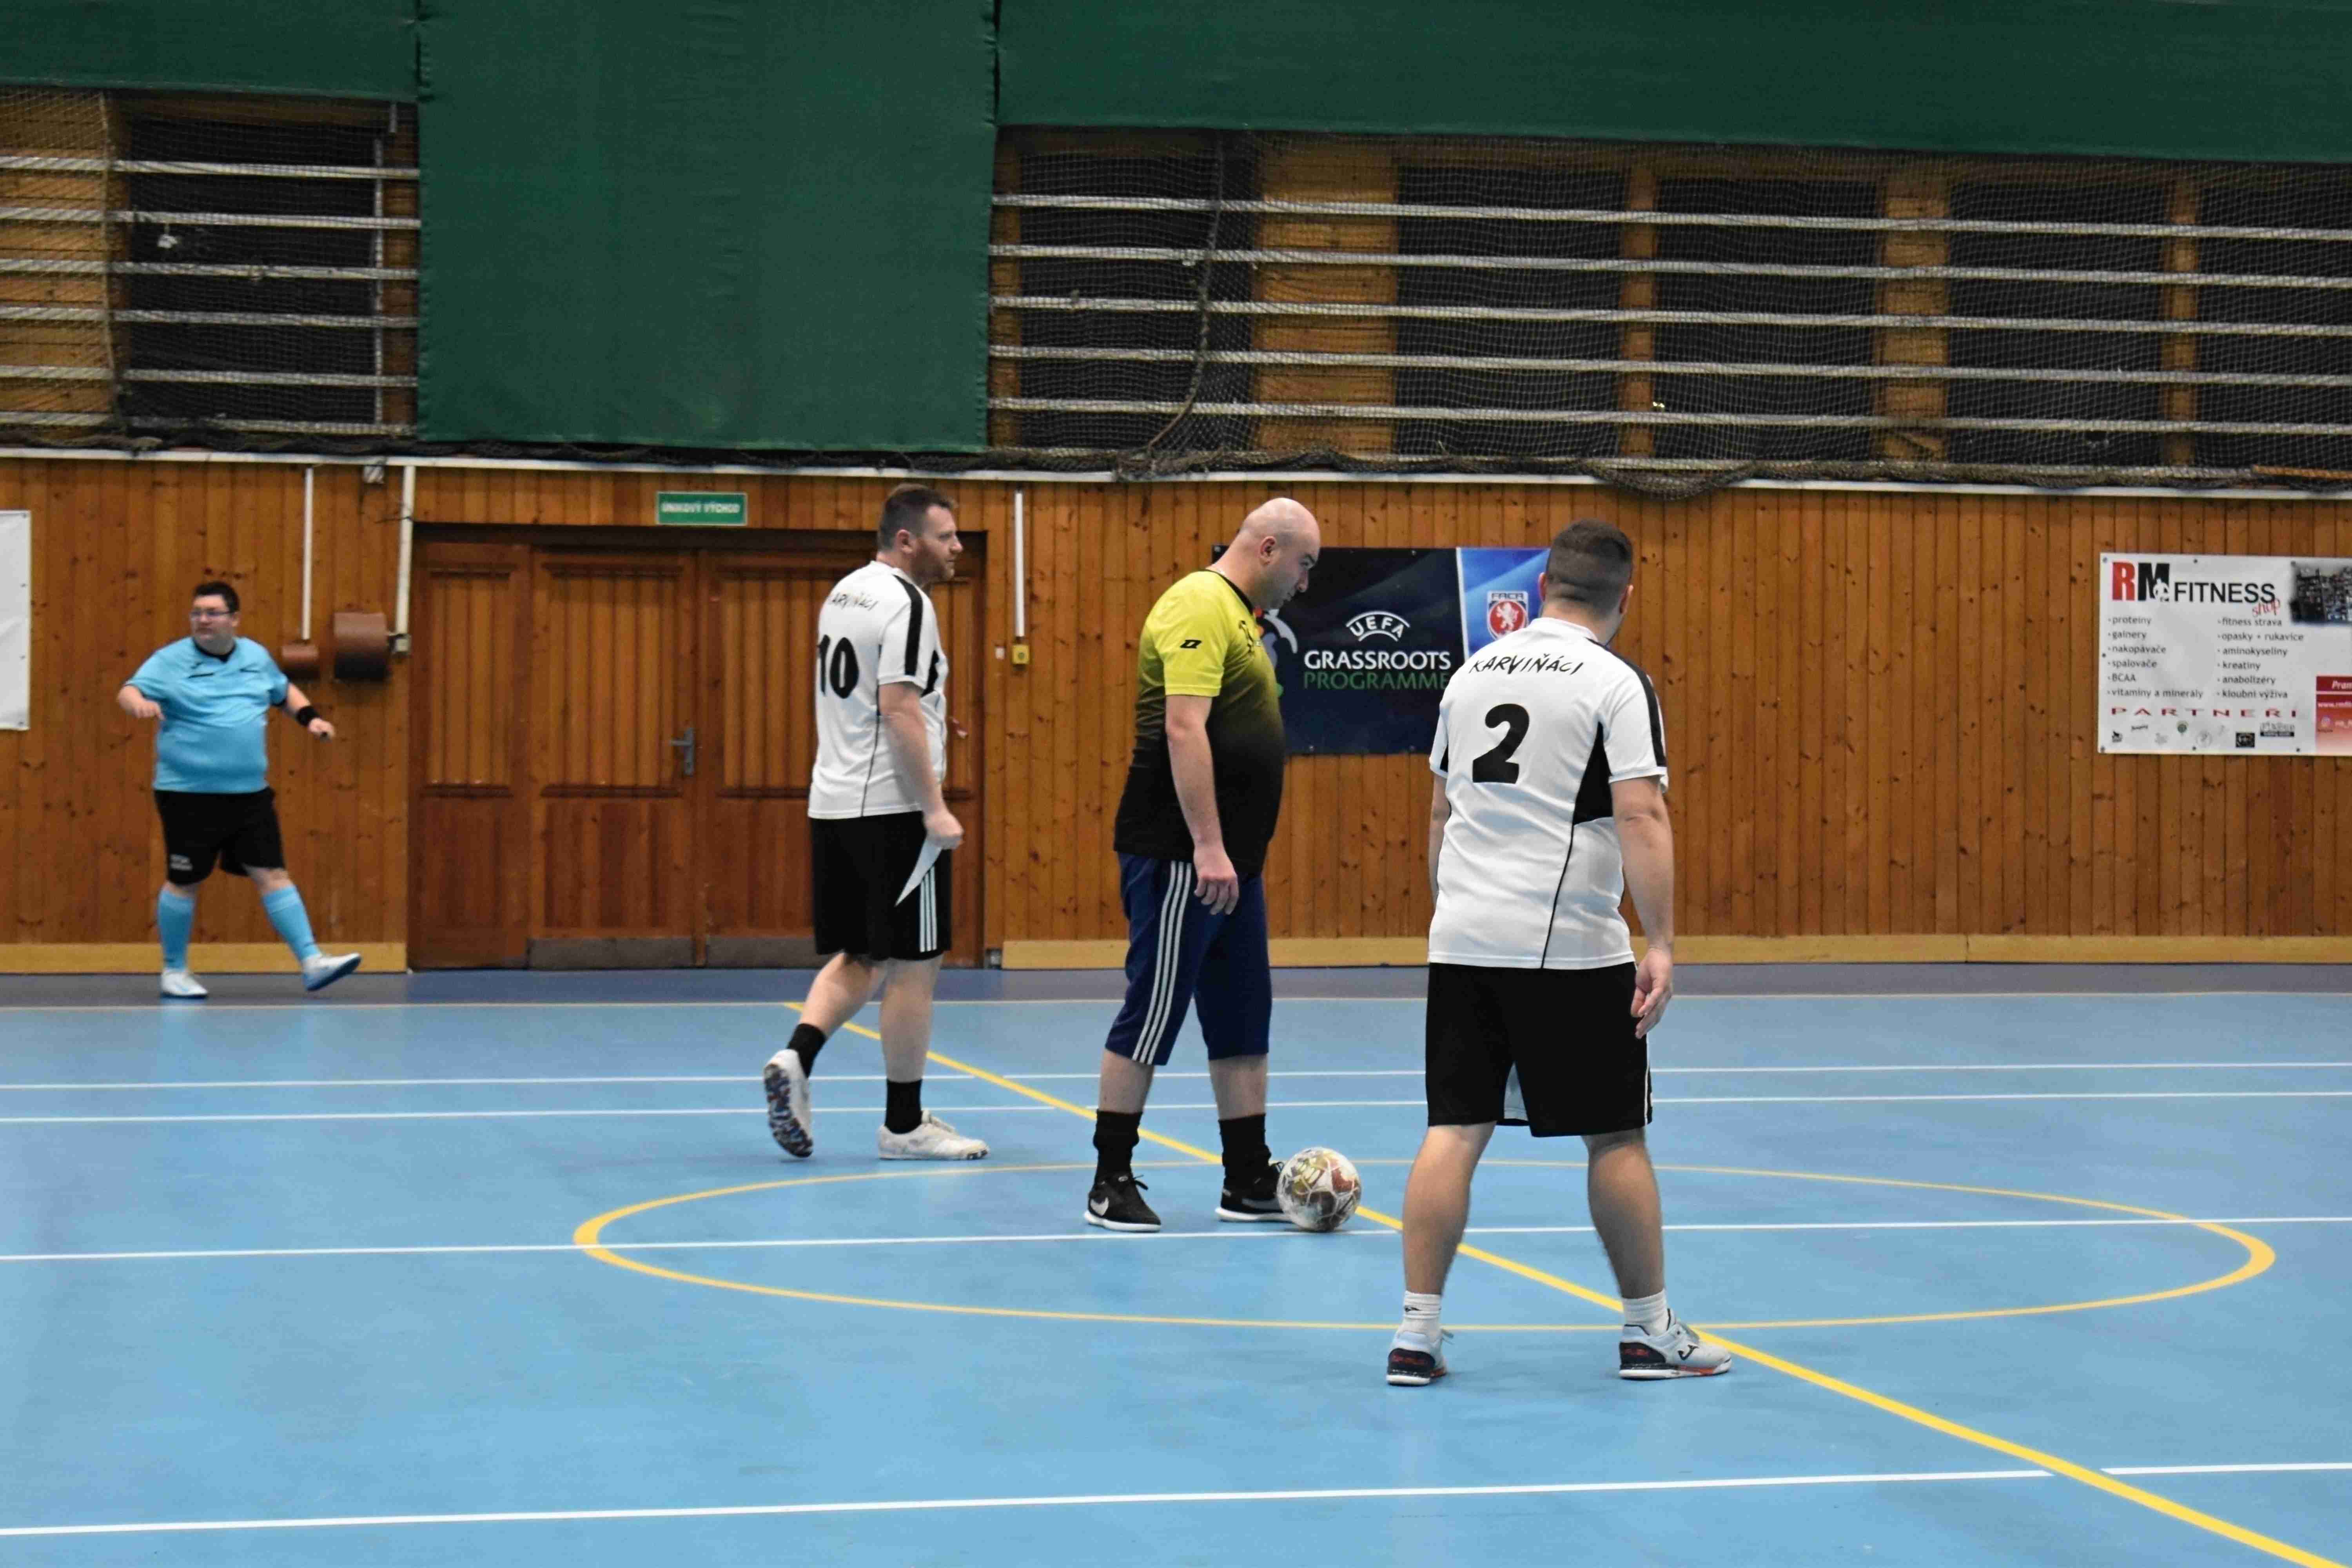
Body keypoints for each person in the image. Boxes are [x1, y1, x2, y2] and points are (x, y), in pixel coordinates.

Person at [1388, 519, 1730, 1386]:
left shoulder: (1471, 673)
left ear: (1543, 588)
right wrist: (1661, 941)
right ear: (1624, 598)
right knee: (1615, 1134)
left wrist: (1455, 913)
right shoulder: (1616, 682)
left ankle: (1416, 1336)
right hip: (1568, 946)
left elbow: (1440, 812)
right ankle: (1649, 1331)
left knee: (1453, 1128)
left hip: (1463, 938)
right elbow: (1641, 812)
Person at [1085, 497, 1321, 1232]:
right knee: (1154, 1012)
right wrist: (1207, 846)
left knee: (1243, 1017)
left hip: (1233, 865)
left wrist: (1231, 855)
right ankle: (1109, 1179)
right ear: (1268, 548)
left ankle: (1246, 1176)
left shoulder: (1245, 621)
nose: (1305, 582)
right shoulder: (1199, 601)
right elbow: (1184, 729)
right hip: (1181, 855)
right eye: (1304, 564)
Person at [763, 485, 986, 1162]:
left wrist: (933, 723)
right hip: (894, 811)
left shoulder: (846, 592)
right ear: (907, 541)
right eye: (946, 537)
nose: (958, 548)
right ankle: (904, 1124)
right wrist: (935, 809)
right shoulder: (909, 603)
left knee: (862, 955)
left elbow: (875, 697)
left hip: (833, 800)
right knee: (917, 965)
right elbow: (897, 708)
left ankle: (795, 1057)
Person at [116, 581, 362, 999]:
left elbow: (283, 692)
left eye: (212, 613)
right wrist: (137, 702)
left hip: (249, 795)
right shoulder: (170, 660)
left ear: (234, 619)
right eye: (197, 613)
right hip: (188, 795)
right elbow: (128, 690)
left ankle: (312, 962)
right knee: (185, 880)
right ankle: (174, 970)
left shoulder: (255, 657)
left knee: (272, 873)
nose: (203, 620)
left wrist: (312, 719)